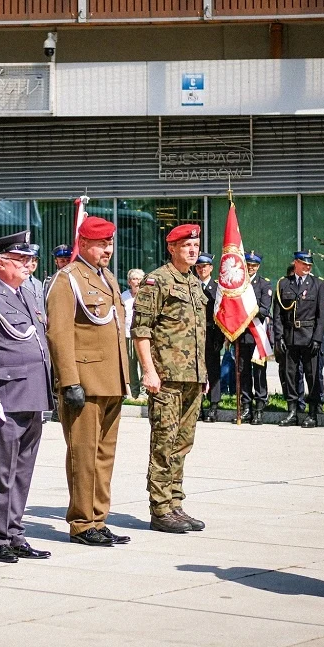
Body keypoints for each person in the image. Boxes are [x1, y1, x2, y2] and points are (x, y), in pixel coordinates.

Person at [0, 232, 53, 563]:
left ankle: (15, 532)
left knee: (23, 469)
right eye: (22, 260)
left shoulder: (26, 296)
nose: (29, 265)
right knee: (2, 471)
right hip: (5, 396)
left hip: (32, 394)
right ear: (1, 263)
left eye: (31, 260)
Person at [46, 216, 130, 547]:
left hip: (110, 380)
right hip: (85, 383)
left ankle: (98, 517)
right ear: (84, 244)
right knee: (83, 454)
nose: (107, 250)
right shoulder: (67, 279)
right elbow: (60, 332)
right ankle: (82, 522)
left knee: (104, 455)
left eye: (110, 243)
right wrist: (69, 381)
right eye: (100, 244)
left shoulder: (106, 277)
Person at [133, 224, 207, 534]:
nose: (193, 249)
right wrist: (148, 371)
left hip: (192, 377)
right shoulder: (157, 280)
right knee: (164, 443)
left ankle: (176, 504)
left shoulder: (194, 282)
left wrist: (204, 374)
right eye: (186, 245)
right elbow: (141, 329)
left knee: (182, 444)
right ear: (172, 248)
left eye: (196, 244)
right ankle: (160, 509)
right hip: (166, 379)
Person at [273, 250, 324, 428]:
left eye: (309, 265)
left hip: (309, 336)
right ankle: (293, 411)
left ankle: (312, 413)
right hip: (290, 337)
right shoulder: (283, 284)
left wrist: (318, 339)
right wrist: (278, 336)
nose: (307, 267)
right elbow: (278, 315)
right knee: (290, 375)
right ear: (295, 263)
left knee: (312, 376)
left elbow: (321, 316)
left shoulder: (318, 284)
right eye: (304, 264)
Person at [238, 252, 272, 425]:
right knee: (243, 373)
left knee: (259, 373)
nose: (251, 268)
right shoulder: (238, 285)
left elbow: (265, 309)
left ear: (258, 266)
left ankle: (259, 408)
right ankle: (246, 406)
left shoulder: (264, 284)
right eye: (248, 265)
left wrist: (246, 309)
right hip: (242, 335)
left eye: (254, 265)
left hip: (257, 335)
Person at [194, 253, 224, 422]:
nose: (201, 269)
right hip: (194, 335)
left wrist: (219, 338)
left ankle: (213, 405)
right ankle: (197, 405)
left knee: (213, 370)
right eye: (198, 266)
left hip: (211, 333)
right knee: (196, 371)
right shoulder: (191, 285)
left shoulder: (217, 288)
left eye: (204, 266)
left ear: (211, 268)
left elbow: (221, 313)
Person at [121, 269, 144, 399]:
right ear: (129, 282)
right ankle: (134, 392)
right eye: (134, 279)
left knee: (143, 363)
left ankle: (144, 392)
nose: (137, 282)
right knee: (131, 364)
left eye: (139, 279)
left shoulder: (146, 295)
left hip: (142, 335)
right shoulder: (124, 296)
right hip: (128, 334)